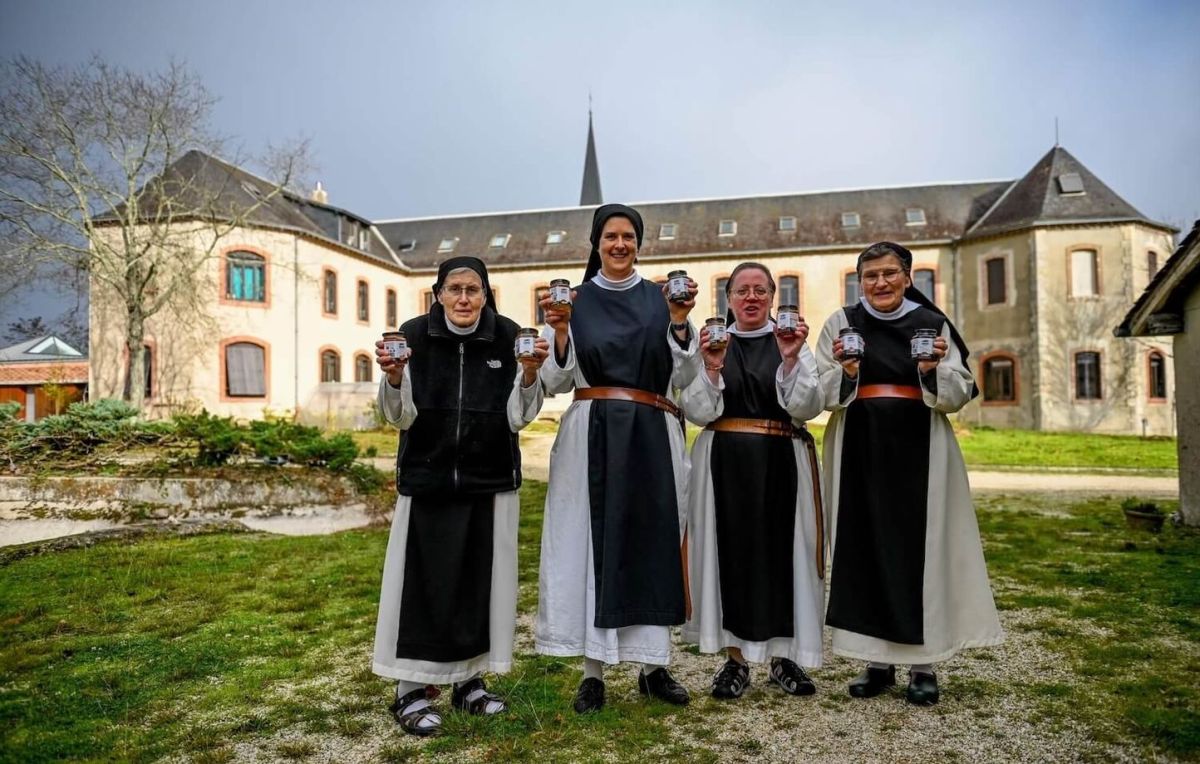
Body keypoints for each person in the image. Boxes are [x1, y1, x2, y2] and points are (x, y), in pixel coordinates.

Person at [816, 241, 1003, 706]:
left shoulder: (932, 324)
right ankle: (874, 661)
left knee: (922, 554)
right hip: (858, 446)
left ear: (907, 277)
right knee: (864, 550)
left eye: (889, 274)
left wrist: (931, 369)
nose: (880, 283)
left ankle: (924, 665)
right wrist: (846, 370)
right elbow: (817, 390)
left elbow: (959, 392)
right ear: (860, 281)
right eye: (870, 276)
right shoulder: (840, 323)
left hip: (920, 449)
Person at [535, 203, 702, 713]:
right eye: (611, 236)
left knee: (651, 540)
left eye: (629, 236)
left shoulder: (661, 299)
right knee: (590, 544)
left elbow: (686, 374)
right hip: (592, 431)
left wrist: (678, 323)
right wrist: (560, 332)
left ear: (639, 243)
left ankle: (654, 667)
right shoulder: (574, 302)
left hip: (651, 429)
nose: (620, 244)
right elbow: (555, 379)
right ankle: (593, 672)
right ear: (596, 242)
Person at [371, 256, 547, 736]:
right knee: (421, 588)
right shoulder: (413, 335)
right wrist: (391, 377)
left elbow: (520, 416)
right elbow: (397, 416)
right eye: (455, 289)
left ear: (486, 295)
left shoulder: (509, 336)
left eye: (474, 289)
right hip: (428, 480)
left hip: (488, 480)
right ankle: (409, 690)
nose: (464, 298)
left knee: (479, 586)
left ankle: (469, 684)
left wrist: (530, 374)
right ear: (439, 295)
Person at [680, 262, 826, 700]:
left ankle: (784, 657)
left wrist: (790, 358)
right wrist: (709, 369)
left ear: (772, 297)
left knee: (786, 555)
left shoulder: (794, 343)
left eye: (760, 290)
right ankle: (735, 660)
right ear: (728, 298)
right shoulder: (710, 345)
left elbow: (808, 407)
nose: (751, 297)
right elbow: (696, 411)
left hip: (782, 460)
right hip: (723, 464)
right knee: (729, 557)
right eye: (741, 290)